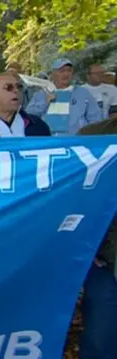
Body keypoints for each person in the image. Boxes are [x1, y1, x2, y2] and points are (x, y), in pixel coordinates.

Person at [76, 118, 117, 359]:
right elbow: (74, 196)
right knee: (102, 339)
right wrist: (86, 246)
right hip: (105, 259)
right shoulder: (94, 136)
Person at [26, 58, 102, 135]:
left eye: (69, 71)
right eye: (61, 71)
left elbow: (95, 118)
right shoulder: (42, 94)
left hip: (76, 140)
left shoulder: (83, 93)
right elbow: (29, 116)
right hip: (48, 141)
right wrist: (45, 102)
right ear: (53, 74)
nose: (66, 74)